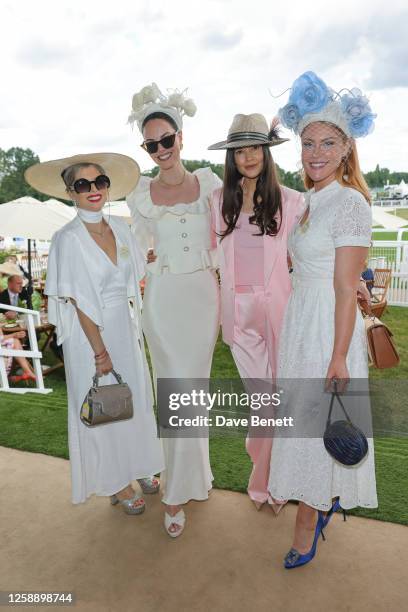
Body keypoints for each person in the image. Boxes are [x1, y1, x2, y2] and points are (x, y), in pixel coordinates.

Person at [267, 71, 378, 568]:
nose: (315, 152)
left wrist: (337, 356)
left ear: (346, 148)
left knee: (318, 425)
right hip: (302, 321)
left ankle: (308, 521)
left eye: (327, 143)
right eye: (308, 142)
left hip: (328, 329)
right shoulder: (309, 201)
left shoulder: (351, 203)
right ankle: (317, 499)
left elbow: (342, 287)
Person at [25, 153, 164, 512]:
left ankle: (140, 464)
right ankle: (116, 482)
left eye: (99, 182)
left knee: (132, 400)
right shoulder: (67, 239)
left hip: (123, 324)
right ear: (71, 192)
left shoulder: (120, 228)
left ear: (107, 187)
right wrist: (99, 351)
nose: (93, 190)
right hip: (89, 336)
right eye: (83, 184)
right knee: (104, 407)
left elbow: (137, 267)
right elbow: (78, 300)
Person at [126, 83, 222, 536]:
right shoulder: (139, 194)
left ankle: (194, 476)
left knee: (194, 394)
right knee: (175, 392)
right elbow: (133, 247)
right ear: (145, 148)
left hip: (203, 300)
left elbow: (232, 234)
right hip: (162, 303)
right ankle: (174, 493)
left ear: (181, 137)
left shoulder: (210, 182)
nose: (161, 149)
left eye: (167, 139)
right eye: (152, 144)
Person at [208, 113, 305, 513]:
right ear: (231, 157)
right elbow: (204, 255)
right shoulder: (217, 203)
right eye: (240, 150)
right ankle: (267, 479)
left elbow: (311, 256)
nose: (248, 157)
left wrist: (354, 280)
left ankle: (274, 484)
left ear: (266, 152)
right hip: (238, 313)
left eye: (255, 148)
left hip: (280, 310)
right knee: (263, 403)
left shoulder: (293, 201)